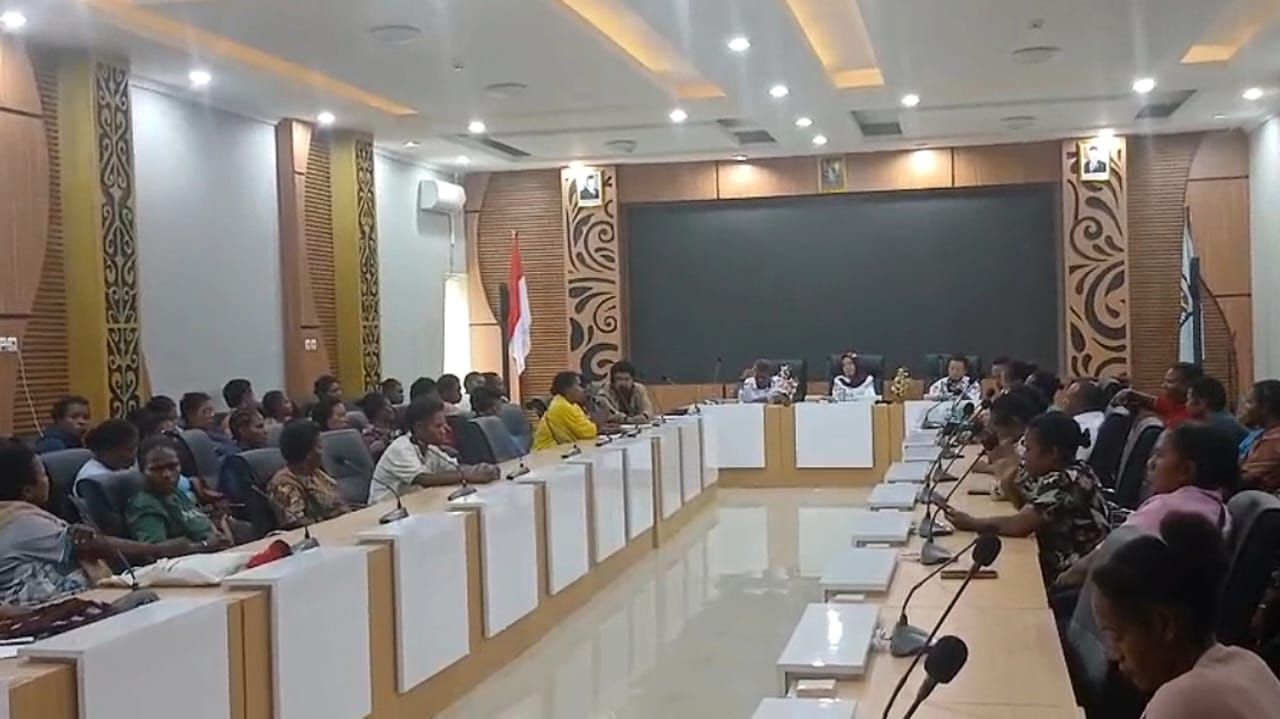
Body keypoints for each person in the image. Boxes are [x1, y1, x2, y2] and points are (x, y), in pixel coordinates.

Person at [1090, 514, 1280, 718]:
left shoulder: (1183, 700)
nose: (1114, 654)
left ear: (1162, 624)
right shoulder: (1248, 663)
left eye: (1117, 636)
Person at [0, 440, 190, 606]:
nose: (49, 480)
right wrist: (159, 549)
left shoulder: (15, 515)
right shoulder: (22, 523)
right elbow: (93, 544)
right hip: (43, 614)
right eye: (43, 474)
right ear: (27, 491)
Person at [1057, 422, 1237, 589]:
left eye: (1159, 455)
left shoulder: (1166, 508)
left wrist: (1060, 582)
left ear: (1185, 470)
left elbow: (1102, 557)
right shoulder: (1220, 510)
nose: (1150, 463)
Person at [941, 411, 1110, 586]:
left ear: (1052, 453)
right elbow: (1025, 507)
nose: (1024, 455)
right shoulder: (1069, 470)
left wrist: (971, 523)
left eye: (1029, 449)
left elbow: (1018, 525)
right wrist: (1009, 481)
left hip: (1072, 579)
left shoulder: (1066, 480)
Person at [368, 396, 500, 503]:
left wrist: (480, 469)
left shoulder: (430, 448)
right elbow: (424, 479)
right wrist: (470, 476)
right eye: (439, 426)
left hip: (413, 505)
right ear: (419, 427)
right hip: (381, 511)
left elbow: (455, 469)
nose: (446, 430)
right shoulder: (401, 448)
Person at [124, 436, 229, 552]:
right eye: (157, 469)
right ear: (142, 471)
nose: (167, 475)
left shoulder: (176, 493)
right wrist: (205, 545)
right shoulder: (145, 505)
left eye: (172, 466)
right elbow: (155, 552)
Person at [266, 420, 348, 528]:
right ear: (308, 454)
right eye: (319, 447)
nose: (322, 452)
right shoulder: (284, 484)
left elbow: (338, 504)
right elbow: (296, 523)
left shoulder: (316, 473)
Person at [1113, 362, 1202, 428]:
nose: (1163, 386)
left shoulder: (1186, 424)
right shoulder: (1175, 403)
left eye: (1169, 382)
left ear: (1187, 386)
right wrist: (1130, 394)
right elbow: (1153, 402)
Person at [532, 371, 601, 450]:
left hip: (562, 450)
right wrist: (600, 424)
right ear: (567, 389)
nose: (583, 390)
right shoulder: (561, 405)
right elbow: (587, 432)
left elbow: (588, 425)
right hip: (545, 452)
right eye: (579, 385)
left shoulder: (573, 405)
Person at [1240, 379, 1280, 493]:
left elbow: (1244, 479)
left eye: (1249, 402)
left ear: (1264, 407)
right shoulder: (1262, 433)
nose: (1244, 408)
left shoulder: (1274, 441)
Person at [1186, 376, 1247, 446]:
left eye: (1188, 399)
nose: (1186, 404)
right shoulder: (1224, 418)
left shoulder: (1213, 427)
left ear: (1202, 403)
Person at [181, 391, 239, 456]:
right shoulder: (195, 441)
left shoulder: (216, 431)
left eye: (211, 410)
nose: (212, 415)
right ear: (190, 415)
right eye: (206, 411)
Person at [1061, 379, 1106, 461]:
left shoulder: (1079, 428)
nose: (1063, 402)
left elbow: (1078, 459)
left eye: (1067, 400)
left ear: (1078, 404)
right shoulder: (1104, 420)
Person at [356, 392, 394, 458]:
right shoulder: (369, 435)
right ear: (380, 410)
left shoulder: (395, 430)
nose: (392, 409)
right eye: (389, 406)